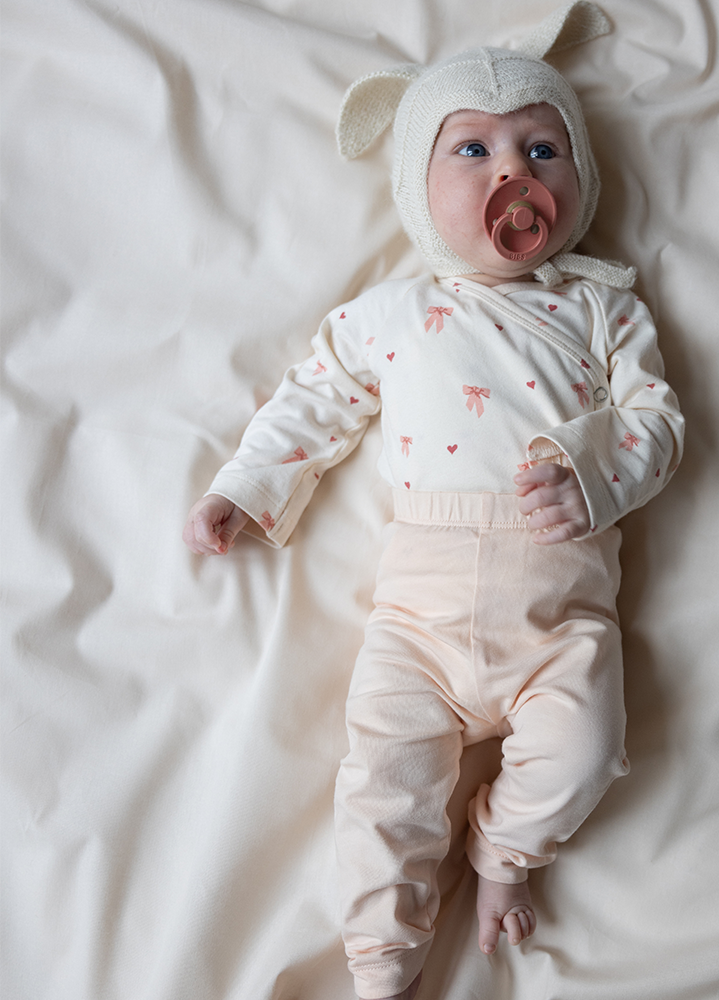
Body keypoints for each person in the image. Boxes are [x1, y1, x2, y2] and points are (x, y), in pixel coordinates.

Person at [183, 4, 684, 998]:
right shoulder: (394, 312)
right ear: (418, 187)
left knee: (587, 747)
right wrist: (245, 483)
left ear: (580, 181)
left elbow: (657, 421)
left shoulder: (603, 305)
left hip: (561, 619)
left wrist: (592, 473)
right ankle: (384, 967)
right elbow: (316, 395)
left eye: (543, 149)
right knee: (382, 792)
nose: (513, 172)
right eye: (473, 150)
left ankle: (504, 848)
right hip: (416, 622)